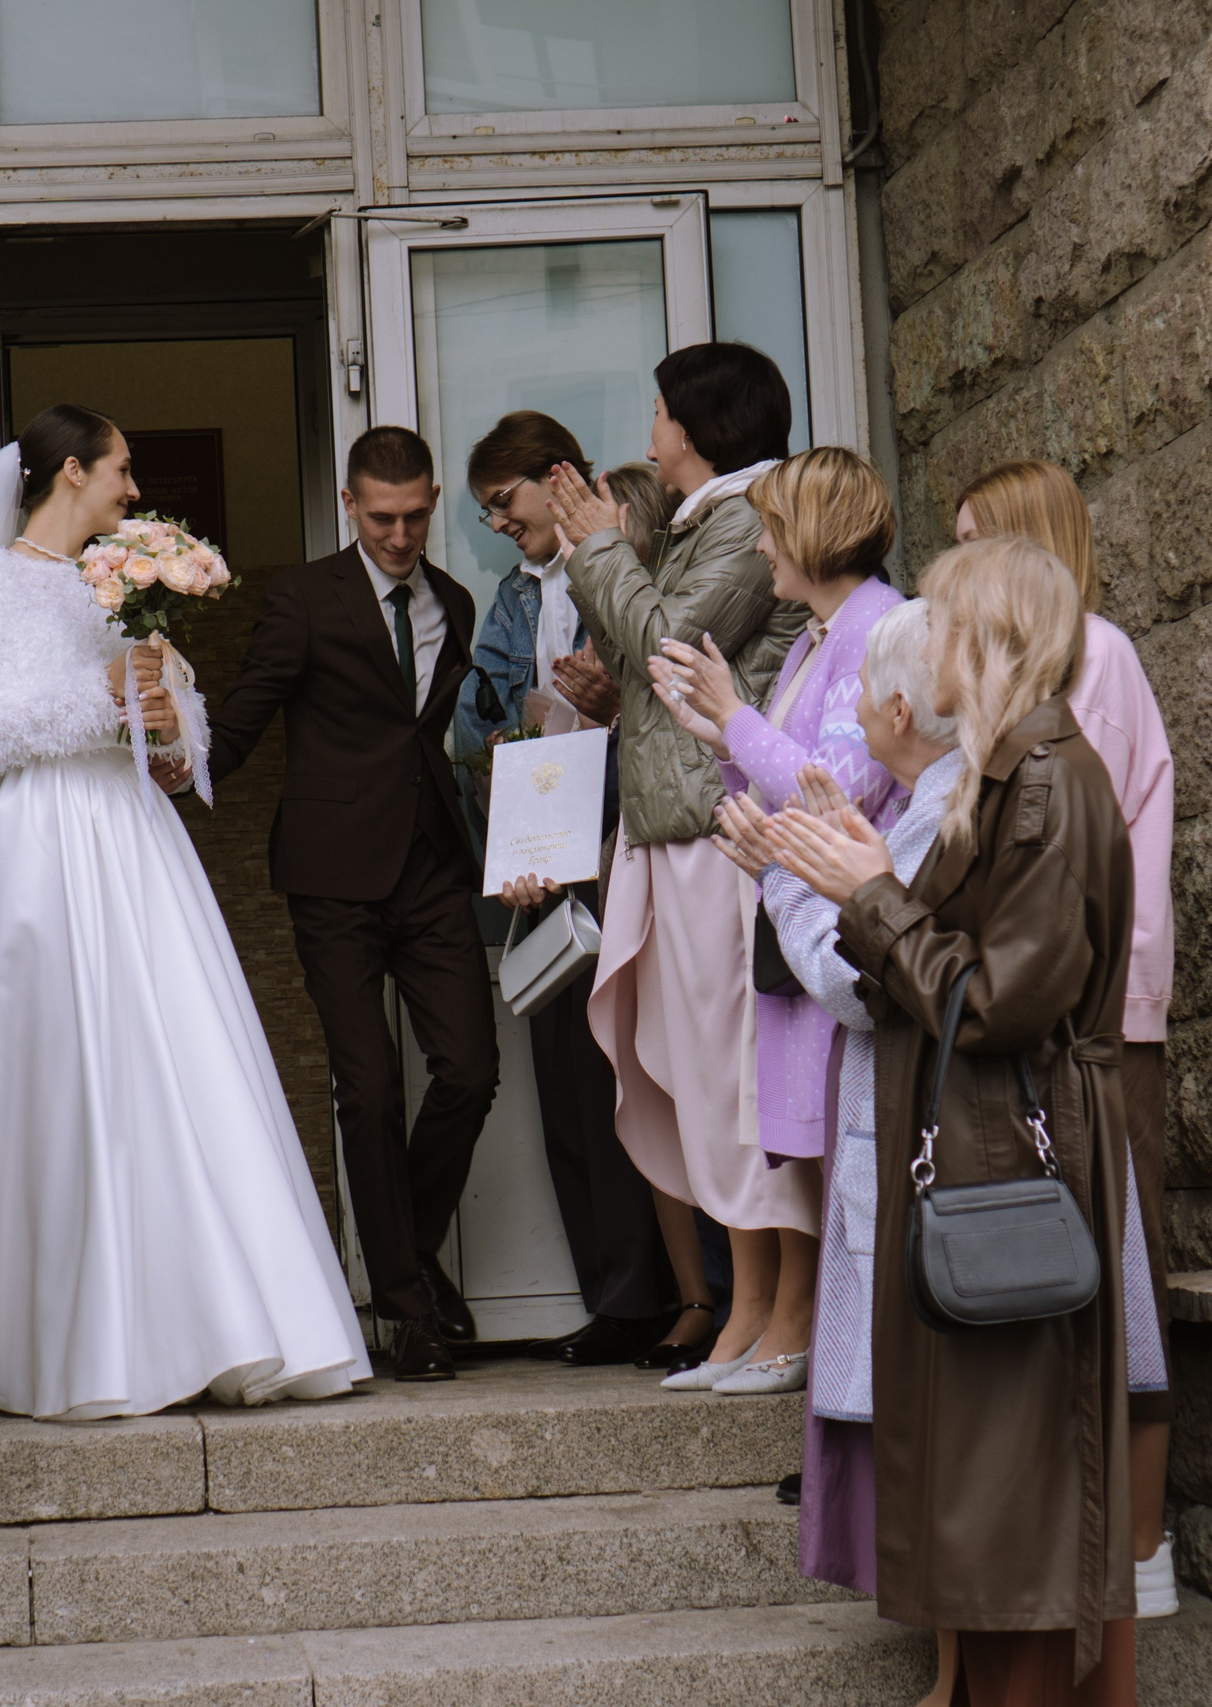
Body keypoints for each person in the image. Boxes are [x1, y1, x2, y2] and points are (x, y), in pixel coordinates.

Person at [0, 404, 371, 1419]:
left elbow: (171, 751)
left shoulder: (110, 581)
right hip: (46, 849)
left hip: (132, 842)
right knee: (67, 1073)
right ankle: (78, 1345)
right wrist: (108, 695)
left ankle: (219, 1320)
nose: (133, 490)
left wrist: (168, 726)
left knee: (173, 1060)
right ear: (71, 471)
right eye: (121, 470)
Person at [756, 536, 1140, 1707]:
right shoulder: (1004, 775)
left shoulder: (1041, 783)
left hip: (1008, 1148)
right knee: (986, 1502)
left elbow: (999, 1000)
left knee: (1011, 1500)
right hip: (976, 1148)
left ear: (994, 643)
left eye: (949, 625)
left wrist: (866, 894)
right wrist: (857, 886)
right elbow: (927, 973)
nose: (930, 649)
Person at [542, 342, 813, 1392]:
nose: (648, 432)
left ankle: (786, 1313)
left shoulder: (751, 518)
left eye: (657, 413)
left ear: (694, 428)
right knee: (701, 1078)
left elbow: (673, 650)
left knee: (742, 1077)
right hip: (671, 825)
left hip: (721, 827)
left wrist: (605, 550)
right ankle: (744, 1310)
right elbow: (656, 680)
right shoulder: (710, 519)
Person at [205, 424, 500, 1383]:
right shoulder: (301, 597)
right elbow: (248, 709)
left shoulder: (453, 601)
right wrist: (175, 768)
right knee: (367, 1087)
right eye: (384, 518)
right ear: (349, 506)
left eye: (418, 516)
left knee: (470, 1069)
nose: (403, 535)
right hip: (332, 874)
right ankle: (408, 1309)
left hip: (430, 868)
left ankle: (400, 1256)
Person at [956, 460, 1180, 1617]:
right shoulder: (1054, 669)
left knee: (1117, 1264)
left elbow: (1091, 860)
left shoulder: (1092, 660)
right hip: (1066, 1005)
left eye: (971, 544)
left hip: (1096, 1016)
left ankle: (1141, 1543)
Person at [713, 595, 958, 1604]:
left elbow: (860, 984)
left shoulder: (942, 812)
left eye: (858, 689)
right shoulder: (928, 806)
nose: (848, 704)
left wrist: (784, 877)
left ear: (898, 709)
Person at [645, 446, 904, 1394]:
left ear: (812, 533)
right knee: (813, 1152)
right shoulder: (811, 637)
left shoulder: (878, 626)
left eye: (771, 527)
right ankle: (813, 1349)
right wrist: (722, 737)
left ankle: (827, 1355)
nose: (759, 546)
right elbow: (777, 768)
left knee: (844, 1158)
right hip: (800, 918)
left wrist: (732, 719)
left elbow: (833, 790)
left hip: (845, 930)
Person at [453, 412, 670, 1368]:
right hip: (544, 849)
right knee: (564, 1086)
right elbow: (476, 725)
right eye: (489, 510)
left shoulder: (623, 562)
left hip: (625, 839)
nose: (500, 522)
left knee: (629, 1078)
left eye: (505, 502)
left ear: (556, 478)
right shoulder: (510, 600)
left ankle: (665, 1293)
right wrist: (508, 748)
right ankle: (609, 1295)